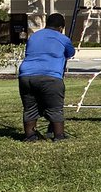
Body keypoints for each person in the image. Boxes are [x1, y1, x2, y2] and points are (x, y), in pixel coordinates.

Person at [18, 13, 75, 142]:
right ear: (61, 27)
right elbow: (70, 53)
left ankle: (29, 136)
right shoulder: (63, 38)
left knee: (30, 107)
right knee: (55, 108)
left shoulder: (33, 36)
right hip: (50, 76)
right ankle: (59, 136)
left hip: (26, 76)